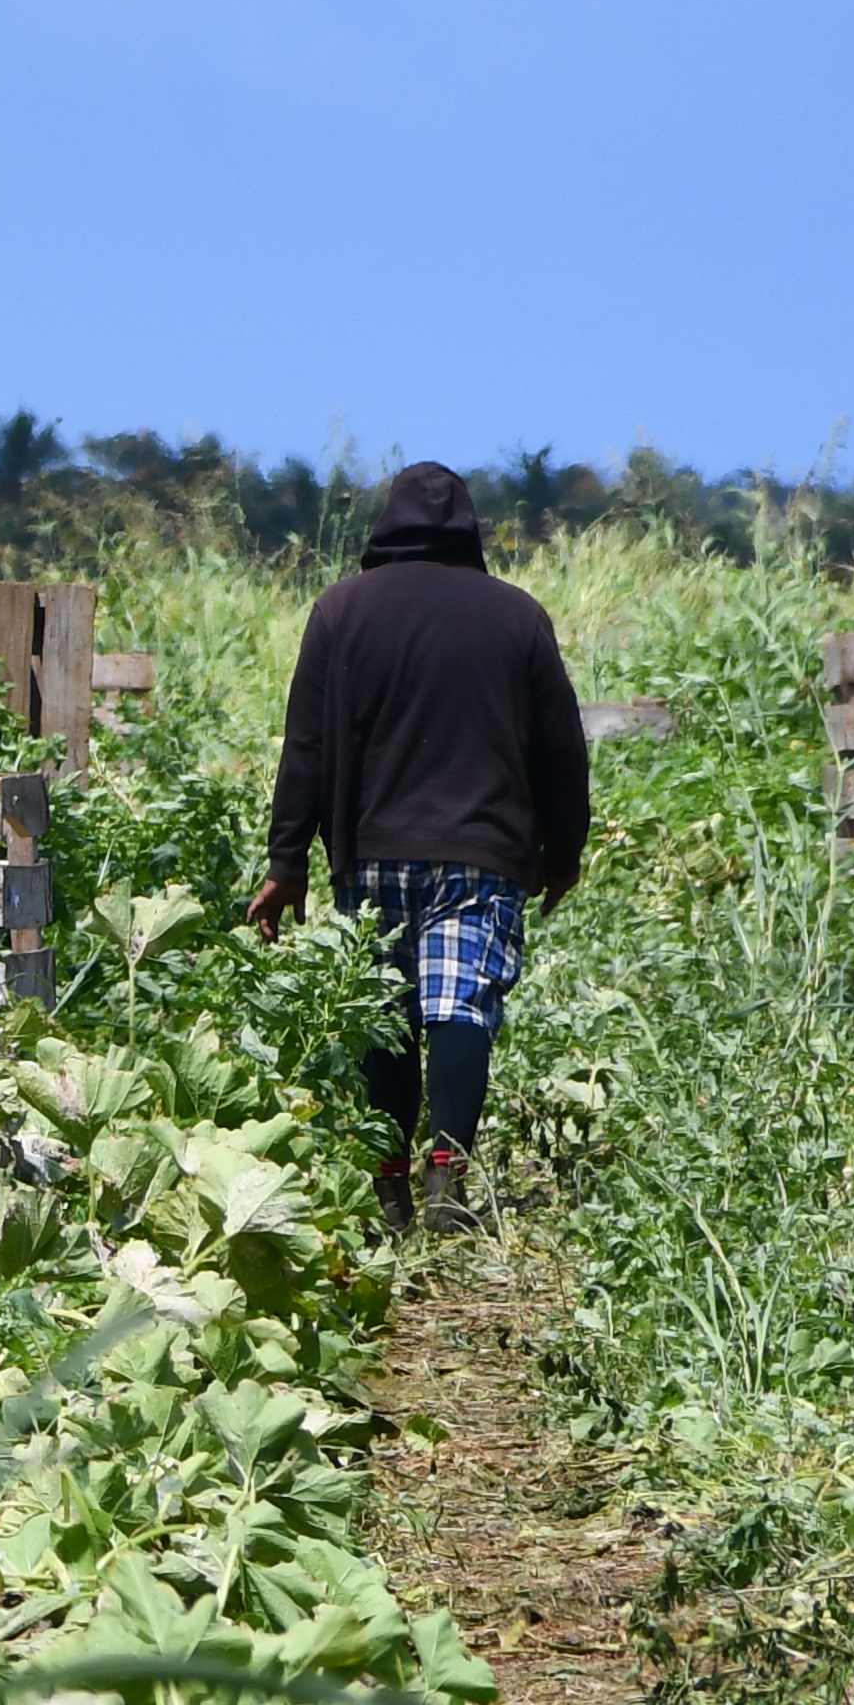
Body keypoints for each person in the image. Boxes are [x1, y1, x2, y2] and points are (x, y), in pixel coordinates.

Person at [246, 460, 594, 1234]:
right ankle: (449, 1178)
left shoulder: (340, 610)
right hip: (481, 849)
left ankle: (390, 1188)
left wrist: (285, 864)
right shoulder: (517, 616)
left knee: (386, 1014)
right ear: (469, 530)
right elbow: (563, 748)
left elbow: (303, 746)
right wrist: (563, 849)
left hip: (369, 851)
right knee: (460, 1001)